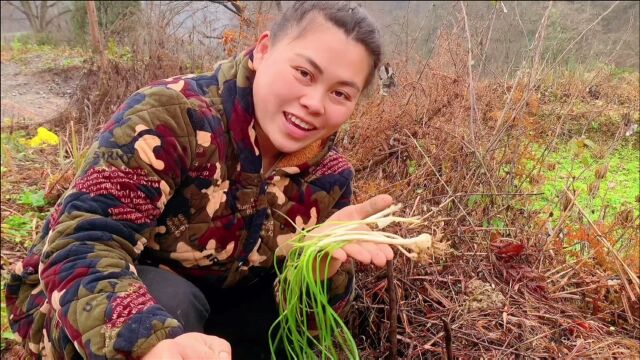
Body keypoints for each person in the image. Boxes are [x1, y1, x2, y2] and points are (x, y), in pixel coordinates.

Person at [5, 2, 395, 359]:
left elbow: (305, 326)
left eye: (341, 93)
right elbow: (81, 244)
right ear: (263, 51)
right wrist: (149, 342)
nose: (315, 103)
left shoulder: (330, 178)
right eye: (304, 73)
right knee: (174, 298)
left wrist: (317, 271)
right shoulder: (170, 119)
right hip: (73, 304)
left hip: (216, 305)